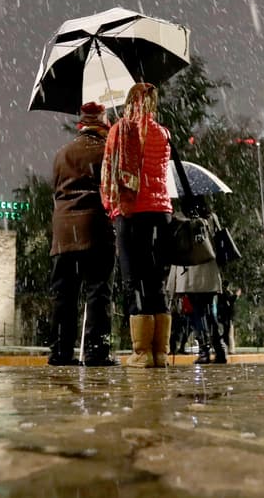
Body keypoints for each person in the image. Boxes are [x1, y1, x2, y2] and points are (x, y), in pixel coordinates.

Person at [101, 82, 173, 368]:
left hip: (133, 213)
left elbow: (110, 172)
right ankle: (161, 353)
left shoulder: (121, 130)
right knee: (156, 283)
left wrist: (110, 206)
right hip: (162, 212)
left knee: (134, 282)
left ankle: (141, 353)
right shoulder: (163, 132)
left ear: (131, 101)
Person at [48, 102, 118, 367]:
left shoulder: (61, 154)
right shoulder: (106, 152)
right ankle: (96, 352)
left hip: (63, 233)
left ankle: (59, 353)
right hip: (95, 230)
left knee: (64, 296)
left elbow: (56, 192)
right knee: (98, 294)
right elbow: (113, 190)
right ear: (103, 124)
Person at [168, 257, 225, 364]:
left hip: (191, 276)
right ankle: (219, 349)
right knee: (208, 314)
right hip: (208, 275)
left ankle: (204, 351)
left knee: (198, 314)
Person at [216, 286, 239, 356]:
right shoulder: (224, 293)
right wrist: (236, 295)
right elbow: (231, 300)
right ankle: (230, 349)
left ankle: (229, 348)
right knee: (228, 333)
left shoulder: (221, 294)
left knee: (228, 333)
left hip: (226, 317)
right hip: (227, 317)